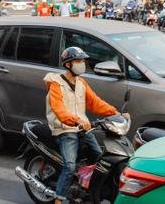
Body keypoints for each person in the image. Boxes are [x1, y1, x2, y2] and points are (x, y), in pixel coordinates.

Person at [45, 46, 124, 202]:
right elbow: (59, 109)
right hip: (65, 130)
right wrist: (76, 121)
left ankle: (90, 190)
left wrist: (116, 114)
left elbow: (96, 102)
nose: (82, 64)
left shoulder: (81, 83)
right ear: (68, 64)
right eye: (78, 61)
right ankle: (58, 199)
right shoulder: (56, 83)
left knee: (100, 159)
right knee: (69, 167)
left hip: (83, 129)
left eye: (82, 61)